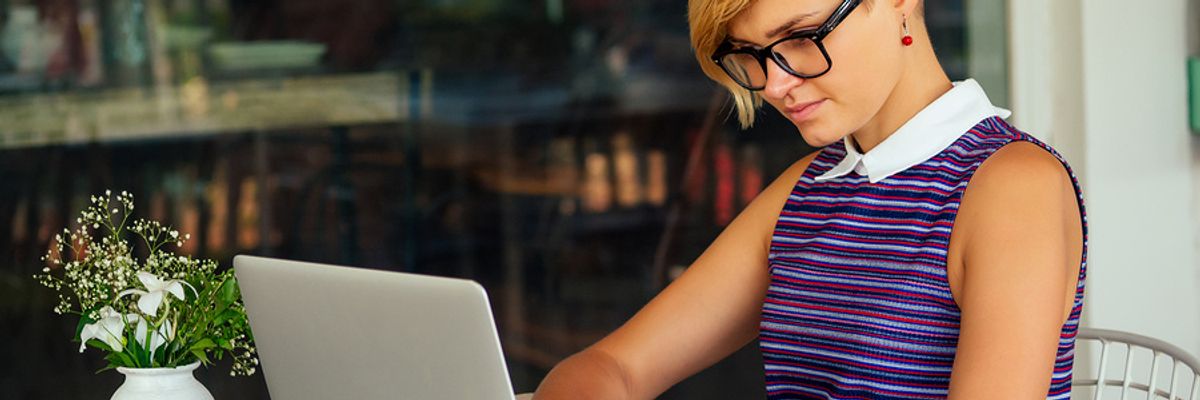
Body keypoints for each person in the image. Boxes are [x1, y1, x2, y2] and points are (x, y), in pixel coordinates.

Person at [532, 0, 1087, 398]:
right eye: (751, 54)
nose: (774, 84)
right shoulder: (810, 189)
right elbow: (615, 368)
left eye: (801, 37)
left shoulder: (1011, 185)